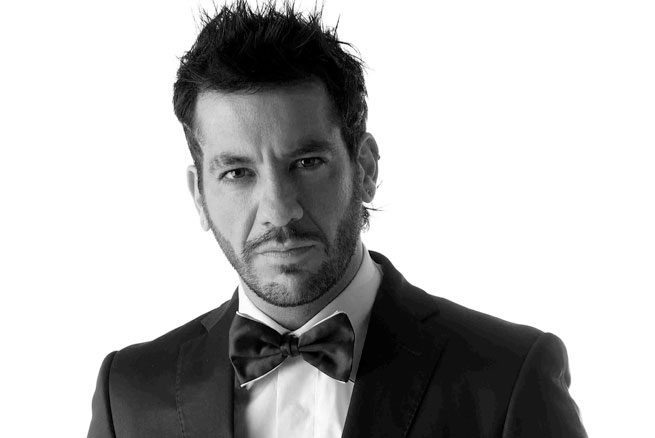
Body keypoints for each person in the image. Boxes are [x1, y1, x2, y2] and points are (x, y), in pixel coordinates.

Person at [87, 2, 587, 437]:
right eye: (237, 173)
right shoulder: (129, 393)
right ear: (199, 196)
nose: (279, 211)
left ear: (364, 169)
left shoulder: (507, 378)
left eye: (307, 163)